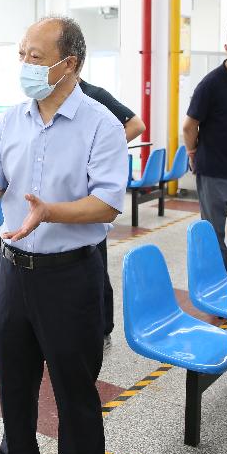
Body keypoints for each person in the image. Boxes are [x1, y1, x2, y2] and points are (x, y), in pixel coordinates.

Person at [0, 17, 127, 454]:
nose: (25, 65)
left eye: (35, 56)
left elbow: (107, 203)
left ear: (68, 63)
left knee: (75, 389)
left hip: (70, 276)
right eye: (22, 55)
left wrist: (51, 212)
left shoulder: (101, 124)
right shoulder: (12, 120)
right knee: (14, 379)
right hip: (13, 271)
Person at [182, 20, 227, 274]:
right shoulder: (211, 84)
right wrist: (192, 153)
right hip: (213, 171)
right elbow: (189, 126)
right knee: (213, 232)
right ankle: (219, 278)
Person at [78, 77, 145, 344]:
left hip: (92, 193)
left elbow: (136, 125)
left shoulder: (94, 94)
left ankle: (103, 327)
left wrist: (102, 152)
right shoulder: (46, 101)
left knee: (95, 259)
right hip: (65, 195)